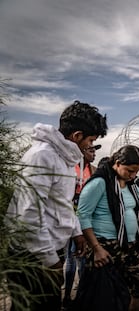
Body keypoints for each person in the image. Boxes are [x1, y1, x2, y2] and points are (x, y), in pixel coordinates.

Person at [6, 100, 108, 311]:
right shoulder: (42, 156)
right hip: (31, 256)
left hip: (47, 249)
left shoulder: (64, 159)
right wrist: (50, 260)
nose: (90, 146)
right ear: (76, 136)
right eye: (90, 140)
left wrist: (76, 232)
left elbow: (62, 203)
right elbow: (29, 215)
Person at [77, 144, 139, 311]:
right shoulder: (100, 182)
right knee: (105, 292)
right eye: (130, 170)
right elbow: (83, 215)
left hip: (128, 246)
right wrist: (96, 248)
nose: (133, 175)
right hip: (105, 246)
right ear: (118, 162)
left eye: (136, 172)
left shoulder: (129, 184)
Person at [62, 144, 101, 309]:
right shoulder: (72, 170)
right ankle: (68, 296)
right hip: (72, 219)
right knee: (72, 259)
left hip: (85, 220)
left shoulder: (94, 170)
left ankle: (80, 296)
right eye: (90, 150)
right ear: (82, 152)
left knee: (81, 259)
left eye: (94, 150)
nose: (93, 153)